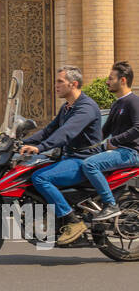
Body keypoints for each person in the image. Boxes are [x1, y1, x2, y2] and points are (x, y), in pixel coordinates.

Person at [19, 65, 102, 244]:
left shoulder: (85, 107)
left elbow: (66, 133)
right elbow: (49, 130)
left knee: (40, 178)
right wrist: (25, 142)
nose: (56, 85)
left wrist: (40, 148)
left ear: (73, 84)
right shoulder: (67, 107)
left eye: (60, 82)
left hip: (82, 160)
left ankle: (72, 219)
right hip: (69, 158)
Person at [78, 62, 139, 221]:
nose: (107, 82)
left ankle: (110, 204)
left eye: (111, 79)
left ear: (123, 80)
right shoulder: (117, 104)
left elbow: (138, 128)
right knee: (78, 158)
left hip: (130, 152)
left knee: (90, 164)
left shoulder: (133, 101)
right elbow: (103, 131)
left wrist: (115, 141)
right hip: (118, 150)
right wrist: (82, 144)